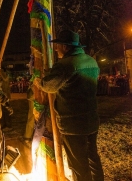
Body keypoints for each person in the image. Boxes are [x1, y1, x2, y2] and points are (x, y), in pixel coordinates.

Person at [33, 30, 104, 181]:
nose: (56, 48)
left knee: (78, 164)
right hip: (91, 119)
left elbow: (49, 86)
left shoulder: (65, 64)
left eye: (58, 45)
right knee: (93, 157)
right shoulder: (91, 61)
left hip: (73, 123)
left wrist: (38, 82)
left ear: (65, 47)